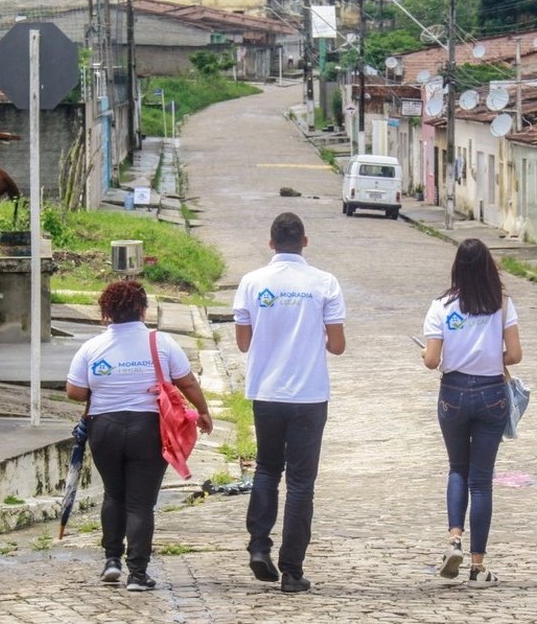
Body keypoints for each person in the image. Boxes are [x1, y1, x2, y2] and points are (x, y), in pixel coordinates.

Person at [66, 281, 213, 592]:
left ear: (106, 312)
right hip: (148, 429)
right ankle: (138, 574)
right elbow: (186, 383)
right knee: (140, 503)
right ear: (143, 310)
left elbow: (75, 391)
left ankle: (111, 561)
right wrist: (203, 411)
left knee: (113, 494)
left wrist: (106, 386)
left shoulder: (91, 348)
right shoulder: (162, 343)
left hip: (103, 428)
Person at [233, 212, 346, 593]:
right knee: (301, 484)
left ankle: (258, 546)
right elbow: (338, 345)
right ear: (305, 242)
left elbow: (243, 342)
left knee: (266, 468)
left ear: (271, 243)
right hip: (310, 396)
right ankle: (293, 571)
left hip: (266, 392)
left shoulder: (251, 282)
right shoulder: (324, 283)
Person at [422, 238, 522, 588]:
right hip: (491, 393)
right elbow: (515, 354)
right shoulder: (503, 304)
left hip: (453, 393)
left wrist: (429, 355)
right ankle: (478, 567)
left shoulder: (442, 305)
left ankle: (454, 540)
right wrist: (491, 355)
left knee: (457, 469)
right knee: (482, 481)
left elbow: (432, 360)